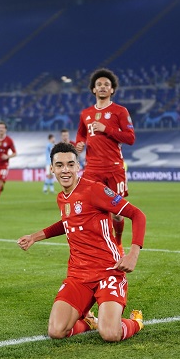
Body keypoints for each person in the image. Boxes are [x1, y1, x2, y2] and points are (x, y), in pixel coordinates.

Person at [17, 142, 145, 342]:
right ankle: (88, 322)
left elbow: (137, 215)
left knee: (110, 333)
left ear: (78, 166)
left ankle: (136, 322)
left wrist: (133, 254)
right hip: (78, 275)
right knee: (56, 331)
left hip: (108, 271)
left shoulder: (94, 190)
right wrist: (35, 237)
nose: (65, 170)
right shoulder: (62, 197)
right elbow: (68, 222)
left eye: (70, 164)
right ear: (52, 169)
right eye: (59, 165)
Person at [75, 68, 135, 252]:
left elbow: (130, 138)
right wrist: (79, 144)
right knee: (92, 210)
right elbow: (81, 134)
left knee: (117, 213)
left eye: (106, 85)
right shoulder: (85, 113)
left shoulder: (120, 111)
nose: (102, 87)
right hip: (92, 170)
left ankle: (118, 242)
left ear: (112, 90)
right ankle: (98, 244)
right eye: (99, 84)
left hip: (114, 169)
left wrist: (106, 129)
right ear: (93, 89)